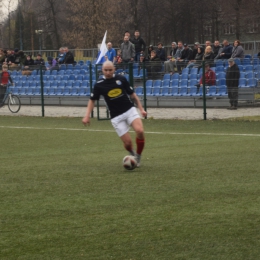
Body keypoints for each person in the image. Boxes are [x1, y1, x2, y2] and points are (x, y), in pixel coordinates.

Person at [82, 61, 147, 167]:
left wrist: (141, 109)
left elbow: (133, 95)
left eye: (110, 70)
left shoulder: (121, 79)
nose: (108, 72)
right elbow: (92, 100)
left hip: (129, 110)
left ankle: (138, 157)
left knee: (140, 131)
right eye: (105, 70)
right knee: (128, 143)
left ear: (114, 69)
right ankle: (132, 154)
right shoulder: (99, 85)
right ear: (102, 70)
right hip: (116, 116)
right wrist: (87, 116)